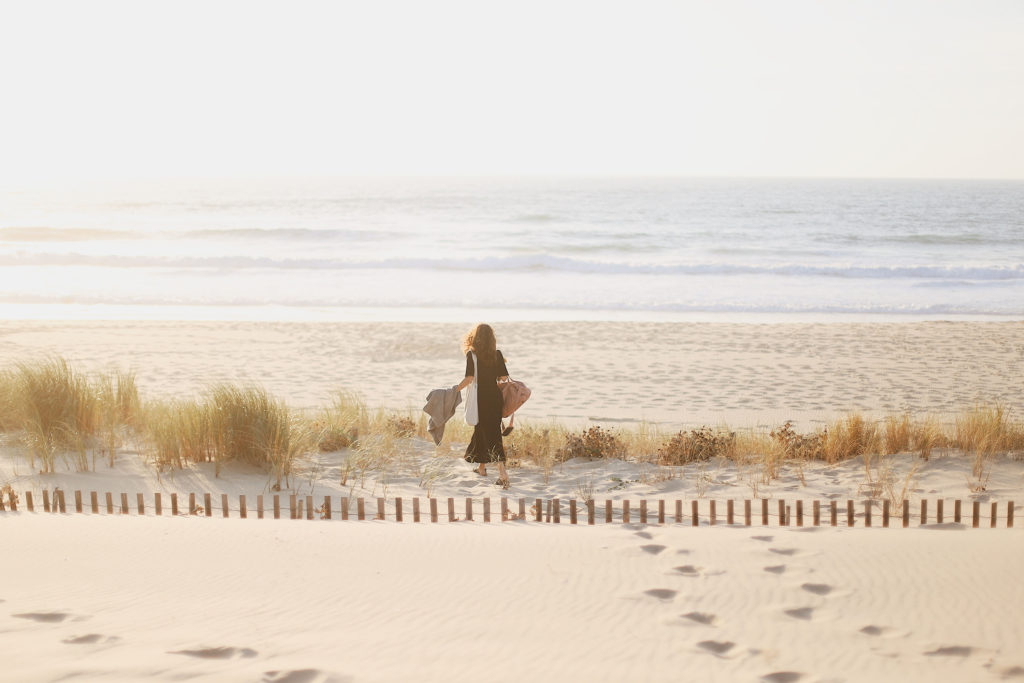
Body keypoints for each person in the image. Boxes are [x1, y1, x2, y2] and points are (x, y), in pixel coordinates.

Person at [456, 323, 510, 487]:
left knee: (492, 435)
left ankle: (503, 474)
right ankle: (481, 468)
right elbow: (503, 378)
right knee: (482, 430)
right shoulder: (497, 354)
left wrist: (454, 390)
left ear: (476, 337)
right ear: (492, 339)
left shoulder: (472, 355)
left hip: (480, 399)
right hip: (494, 397)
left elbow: (469, 378)